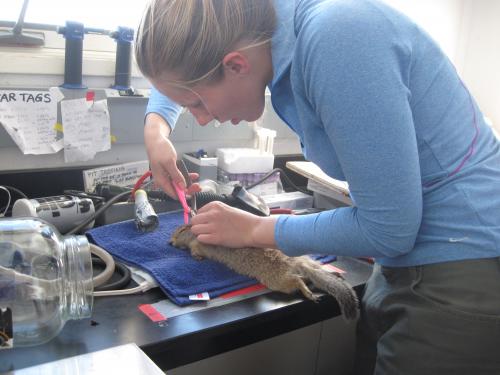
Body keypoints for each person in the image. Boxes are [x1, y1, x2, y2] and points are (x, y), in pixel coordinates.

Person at [135, 0, 500, 374]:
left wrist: (255, 229)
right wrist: (156, 131)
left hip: (460, 266)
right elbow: (185, 67)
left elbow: (389, 229)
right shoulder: (267, 30)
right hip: (404, 264)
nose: (200, 117)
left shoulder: (337, 38)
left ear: (236, 65)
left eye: (196, 102)